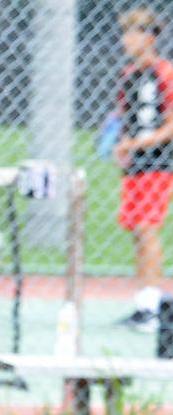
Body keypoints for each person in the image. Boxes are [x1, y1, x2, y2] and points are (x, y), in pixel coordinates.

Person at [114, 7, 173, 332]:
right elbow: (126, 118)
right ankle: (143, 305)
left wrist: (135, 145)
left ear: (149, 38)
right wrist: (124, 145)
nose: (127, 40)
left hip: (158, 163)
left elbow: (170, 126)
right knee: (136, 230)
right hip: (135, 165)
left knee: (148, 228)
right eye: (125, 33)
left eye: (134, 33)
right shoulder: (129, 75)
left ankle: (152, 308)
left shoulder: (164, 73)